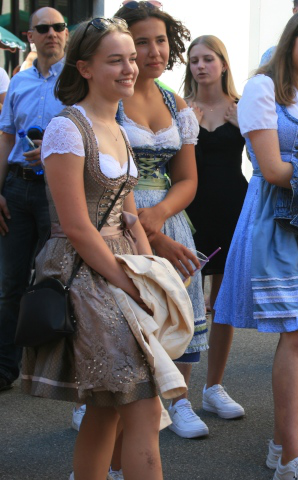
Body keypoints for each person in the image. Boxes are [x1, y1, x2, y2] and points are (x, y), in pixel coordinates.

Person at [21, 17, 164, 479]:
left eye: (131, 59)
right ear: (84, 68)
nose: (130, 68)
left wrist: (150, 270)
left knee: (107, 408)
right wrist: (129, 283)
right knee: (142, 406)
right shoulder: (67, 128)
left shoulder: (117, 127)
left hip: (121, 264)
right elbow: (77, 228)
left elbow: (129, 213)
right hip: (86, 271)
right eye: (115, 60)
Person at [215, 10, 298, 480]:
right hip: (277, 218)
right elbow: (272, 170)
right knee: (297, 334)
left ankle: (282, 445)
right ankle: (291, 458)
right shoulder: (262, 89)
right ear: (291, 39)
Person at [113, 0, 209, 439]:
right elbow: (108, 175)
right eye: (141, 42)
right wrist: (142, 224)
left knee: (180, 309)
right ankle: (100, 401)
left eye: (161, 40)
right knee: (124, 313)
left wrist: (159, 215)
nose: (154, 51)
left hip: (168, 215)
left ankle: (180, 400)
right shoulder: (111, 98)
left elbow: (188, 178)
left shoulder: (175, 101)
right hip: (117, 216)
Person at [0, 7, 67, 393]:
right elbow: (7, 137)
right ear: (30, 36)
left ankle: (48, 367)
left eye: (58, 27)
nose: (51, 33)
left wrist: (54, 151)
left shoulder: (76, 81)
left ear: (65, 34)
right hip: (18, 188)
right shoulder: (19, 81)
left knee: (52, 278)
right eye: (43, 28)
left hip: (57, 191)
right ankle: (4, 366)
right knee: (10, 282)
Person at [183, 35, 247, 419]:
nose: (201, 66)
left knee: (222, 305)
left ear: (223, 64)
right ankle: (178, 396)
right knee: (185, 302)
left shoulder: (240, 107)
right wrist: (185, 127)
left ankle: (213, 387)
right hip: (190, 211)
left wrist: (245, 126)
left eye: (208, 59)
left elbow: (262, 159)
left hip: (232, 207)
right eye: (194, 60)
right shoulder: (181, 107)